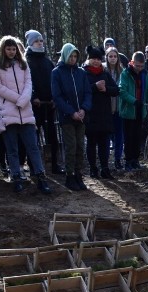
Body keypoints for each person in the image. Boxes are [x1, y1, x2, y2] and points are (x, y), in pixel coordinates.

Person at [0, 35, 52, 194]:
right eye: (8, 49)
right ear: (3, 49)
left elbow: (29, 83)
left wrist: (24, 98)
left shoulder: (23, 64)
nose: (11, 52)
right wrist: (17, 98)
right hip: (7, 110)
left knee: (33, 146)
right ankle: (16, 176)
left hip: (25, 110)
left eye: (13, 49)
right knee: (12, 148)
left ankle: (40, 177)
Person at [51, 43, 91, 191]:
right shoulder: (57, 73)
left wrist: (84, 109)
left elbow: (88, 92)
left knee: (81, 145)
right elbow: (57, 96)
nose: (73, 59)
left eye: (75, 56)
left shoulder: (81, 73)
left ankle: (79, 174)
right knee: (71, 146)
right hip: (67, 117)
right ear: (65, 56)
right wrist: (71, 112)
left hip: (81, 116)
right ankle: (70, 175)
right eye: (71, 56)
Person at [25, 30, 64, 175]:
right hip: (34, 107)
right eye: (37, 41)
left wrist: (55, 97)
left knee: (52, 137)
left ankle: (54, 165)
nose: (40, 43)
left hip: (49, 105)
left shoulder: (48, 62)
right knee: (33, 138)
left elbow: (54, 82)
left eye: (41, 41)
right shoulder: (26, 61)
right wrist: (33, 96)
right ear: (31, 43)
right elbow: (26, 82)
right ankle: (34, 166)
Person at [82, 45, 118, 179]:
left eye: (98, 59)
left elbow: (116, 90)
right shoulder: (83, 73)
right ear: (88, 59)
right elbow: (81, 92)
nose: (96, 61)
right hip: (90, 114)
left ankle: (105, 168)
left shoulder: (105, 73)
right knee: (91, 143)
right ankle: (93, 168)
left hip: (104, 115)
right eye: (93, 58)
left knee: (104, 144)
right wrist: (95, 87)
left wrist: (106, 89)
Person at [118, 51, 148, 171]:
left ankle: (135, 160)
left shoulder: (145, 74)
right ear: (132, 62)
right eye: (137, 66)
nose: (139, 68)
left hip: (140, 110)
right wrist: (133, 101)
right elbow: (122, 91)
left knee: (138, 137)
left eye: (141, 66)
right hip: (128, 111)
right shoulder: (125, 74)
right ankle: (128, 161)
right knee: (129, 138)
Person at [104, 46, 125, 170]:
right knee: (106, 135)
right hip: (106, 109)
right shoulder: (103, 70)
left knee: (119, 135)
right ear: (106, 57)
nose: (113, 59)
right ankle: (105, 161)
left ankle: (118, 159)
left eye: (115, 56)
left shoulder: (122, 71)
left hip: (119, 108)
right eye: (110, 56)